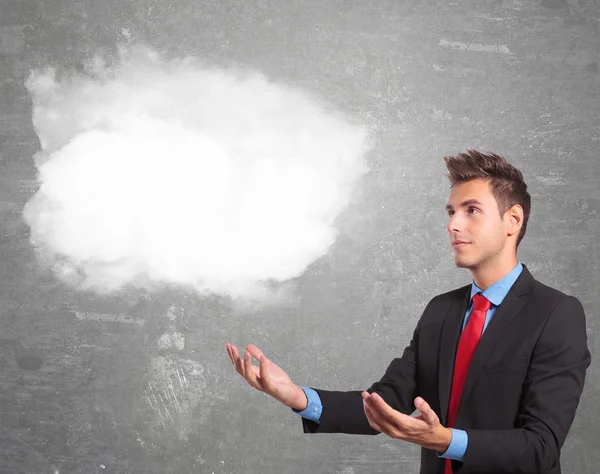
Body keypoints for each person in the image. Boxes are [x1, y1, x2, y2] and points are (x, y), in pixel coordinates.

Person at [226, 150, 592, 474]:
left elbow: (541, 448)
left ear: (513, 220)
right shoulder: (441, 312)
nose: (453, 225)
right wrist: (297, 397)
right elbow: (384, 405)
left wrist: (446, 440)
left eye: (471, 211)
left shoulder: (556, 314)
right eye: (451, 212)